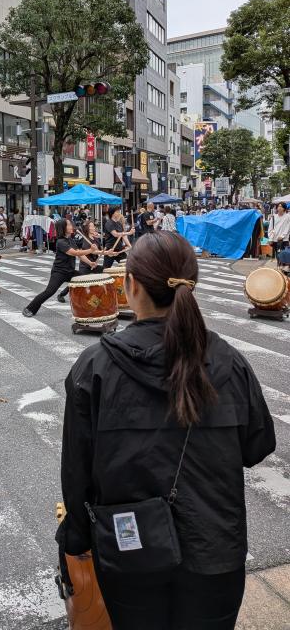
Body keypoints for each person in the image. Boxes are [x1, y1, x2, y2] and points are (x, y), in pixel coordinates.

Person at [58, 231, 275, 630]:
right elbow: (257, 446)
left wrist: (76, 537)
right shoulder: (230, 362)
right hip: (216, 549)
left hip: (129, 550)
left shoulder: (94, 369)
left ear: (131, 286)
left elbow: (77, 472)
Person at [22, 219, 97, 316]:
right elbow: (74, 253)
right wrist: (90, 250)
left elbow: (80, 255)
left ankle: (92, 306)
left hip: (70, 271)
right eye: (69, 225)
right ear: (63, 228)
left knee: (86, 282)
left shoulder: (71, 240)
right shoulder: (61, 242)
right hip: (59, 272)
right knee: (49, 292)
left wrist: (90, 263)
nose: (72, 226)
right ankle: (29, 308)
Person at [57, 219, 103, 302]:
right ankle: (61, 294)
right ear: (88, 229)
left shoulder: (95, 239)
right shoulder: (86, 240)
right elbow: (84, 253)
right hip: (85, 266)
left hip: (93, 264)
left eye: (94, 226)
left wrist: (108, 252)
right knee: (76, 282)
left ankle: (102, 294)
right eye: (91, 226)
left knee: (104, 272)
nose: (94, 228)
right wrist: (105, 252)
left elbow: (100, 250)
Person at [103, 205, 134, 270]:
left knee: (127, 265)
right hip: (110, 249)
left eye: (119, 211)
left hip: (119, 248)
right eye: (117, 211)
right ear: (112, 213)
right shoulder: (109, 223)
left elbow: (123, 236)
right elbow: (115, 234)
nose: (119, 213)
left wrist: (129, 245)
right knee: (106, 269)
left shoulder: (119, 223)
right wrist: (129, 233)